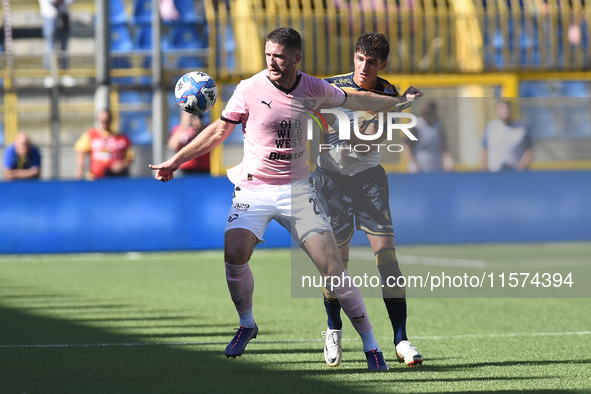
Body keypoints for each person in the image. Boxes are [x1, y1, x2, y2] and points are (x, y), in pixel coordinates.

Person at [150, 27, 416, 371]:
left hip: (297, 191)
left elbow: (358, 100)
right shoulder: (248, 89)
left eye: (279, 56)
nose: (272, 62)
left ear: (296, 58)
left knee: (333, 270)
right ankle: (247, 324)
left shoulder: (314, 87)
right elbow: (218, 131)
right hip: (254, 188)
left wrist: (400, 101)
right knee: (234, 252)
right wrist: (175, 160)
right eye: (267, 55)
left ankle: (371, 345)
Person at [314, 32, 424, 368]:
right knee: (337, 268)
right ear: (354, 57)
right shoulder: (330, 86)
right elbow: (314, 115)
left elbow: (380, 133)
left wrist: (402, 103)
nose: (364, 66)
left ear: (383, 65)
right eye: (359, 59)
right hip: (331, 181)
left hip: (369, 182)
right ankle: (333, 328)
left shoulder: (389, 92)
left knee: (388, 260)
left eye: (371, 62)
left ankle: (401, 339)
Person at [75, 109, 134, 180]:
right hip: (95, 177)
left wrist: (122, 164)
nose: (104, 123)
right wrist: (80, 169)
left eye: (107, 120)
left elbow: (130, 157)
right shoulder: (91, 134)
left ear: (111, 120)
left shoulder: (122, 138)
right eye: (102, 121)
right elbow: (81, 150)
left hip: (116, 177)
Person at [402, 101, 454, 173]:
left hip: (437, 167)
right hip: (420, 168)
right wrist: (413, 163)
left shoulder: (438, 125)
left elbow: (444, 145)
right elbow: (406, 146)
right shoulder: (417, 126)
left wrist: (447, 160)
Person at [481, 100, 533, 172]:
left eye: (507, 108)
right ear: (497, 111)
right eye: (502, 108)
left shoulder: (521, 127)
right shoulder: (491, 126)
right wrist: (484, 168)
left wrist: (521, 166)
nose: (505, 111)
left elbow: (529, 149)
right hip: (494, 171)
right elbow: (484, 148)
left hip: (515, 171)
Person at [38, 0, 76, 88]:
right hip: (50, 16)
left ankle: (65, 73)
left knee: (64, 47)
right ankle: (49, 75)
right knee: (50, 47)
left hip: (64, 15)